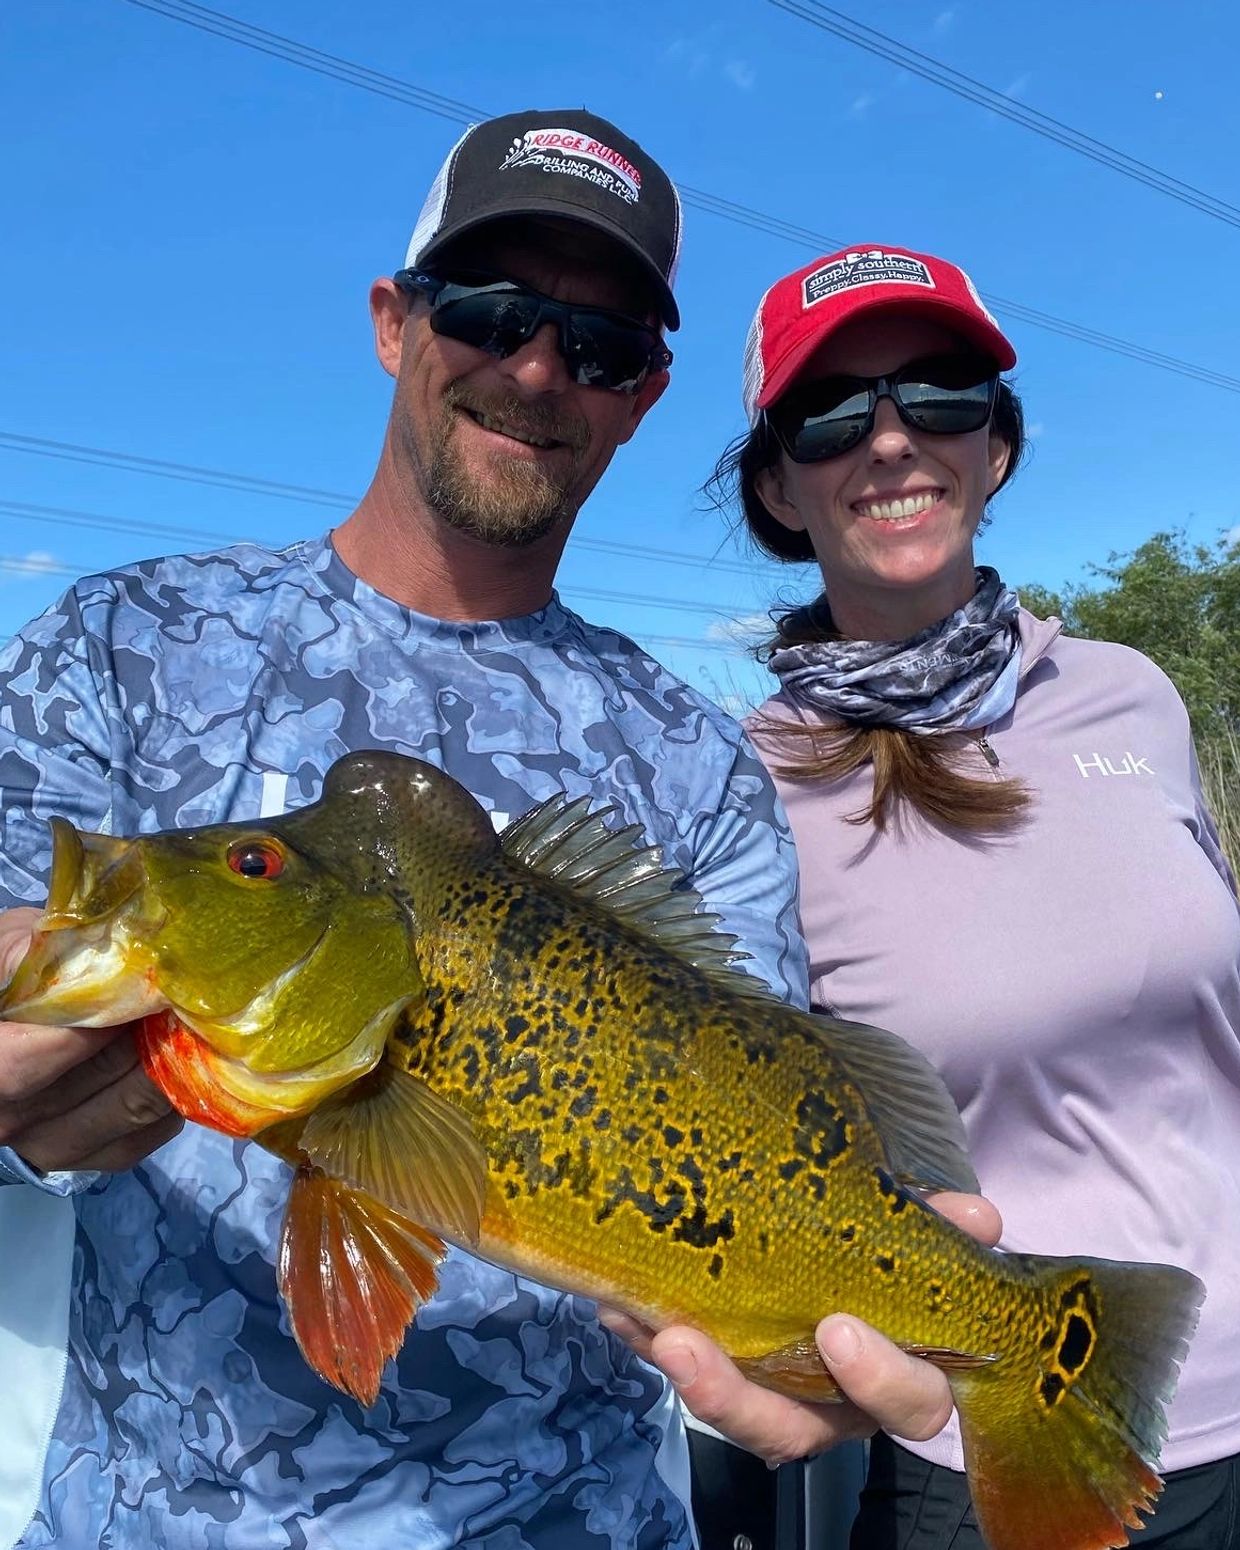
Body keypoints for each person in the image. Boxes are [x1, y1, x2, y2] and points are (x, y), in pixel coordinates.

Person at [0, 125, 992, 1549]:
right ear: (396, 323)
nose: (535, 368)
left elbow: (777, 1119)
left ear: (643, 395)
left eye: (595, 341)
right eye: (488, 311)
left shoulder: (694, 760)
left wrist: (810, 1355)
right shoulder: (122, 643)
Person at [710, 242, 1240, 1545]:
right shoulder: (742, 784)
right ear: (779, 483)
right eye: (834, 416)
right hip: (989, 1446)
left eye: (937, 395)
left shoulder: (1135, 696)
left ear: (994, 446)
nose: (890, 442)